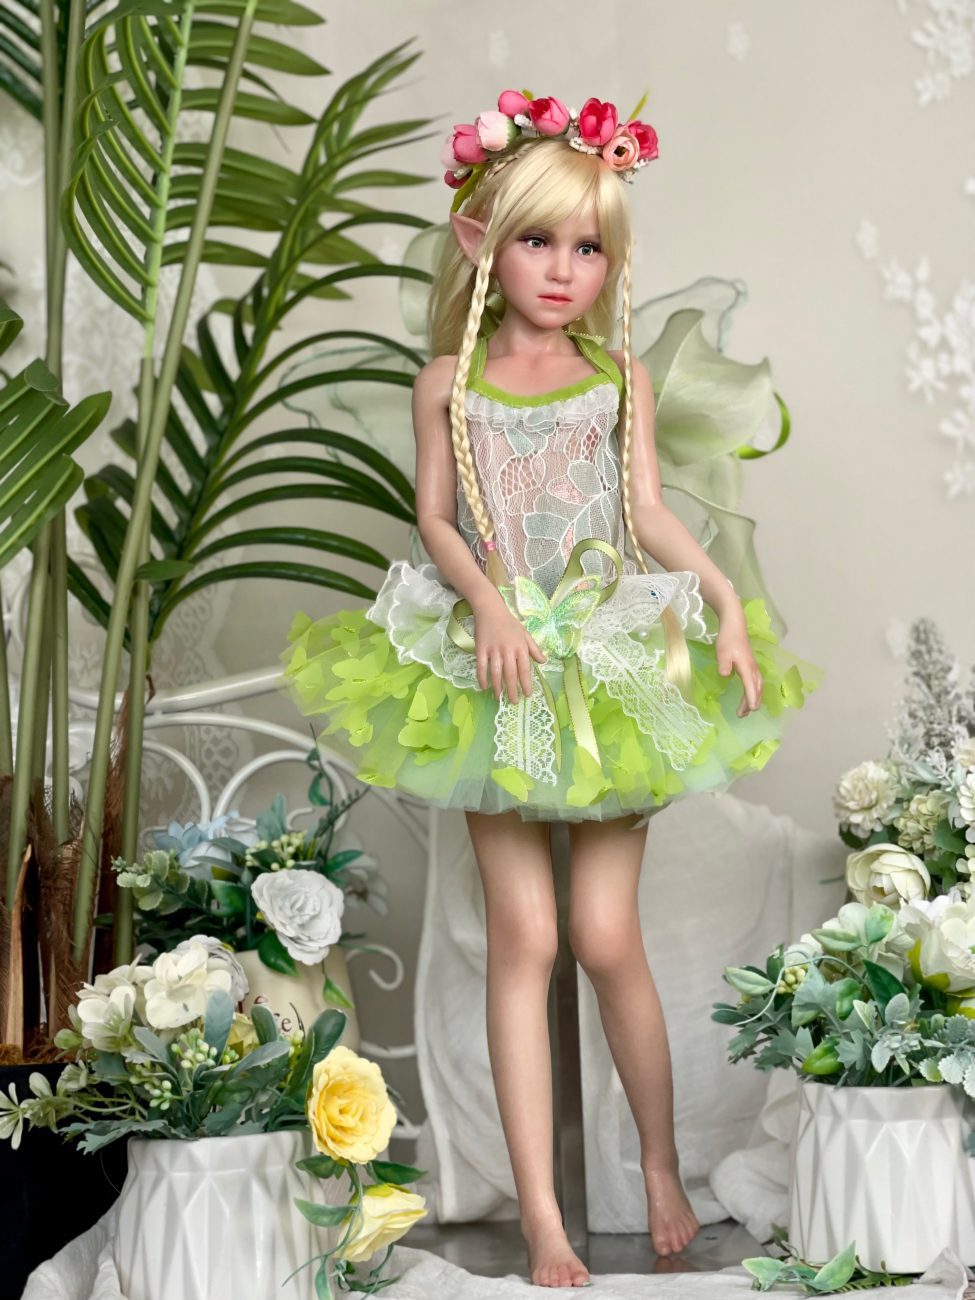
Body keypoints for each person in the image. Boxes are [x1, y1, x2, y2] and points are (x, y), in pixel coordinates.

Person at [281, 90, 824, 1288]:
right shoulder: (449, 383)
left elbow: (646, 513)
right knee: (521, 935)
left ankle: (661, 1163)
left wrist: (726, 602)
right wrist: (486, 603)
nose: (565, 270)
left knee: (604, 932)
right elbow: (436, 517)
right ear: (481, 240)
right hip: (493, 672)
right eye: (539, 241)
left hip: (606, 666)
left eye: (589, 248)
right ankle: (538, 1212)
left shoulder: (617, 380)